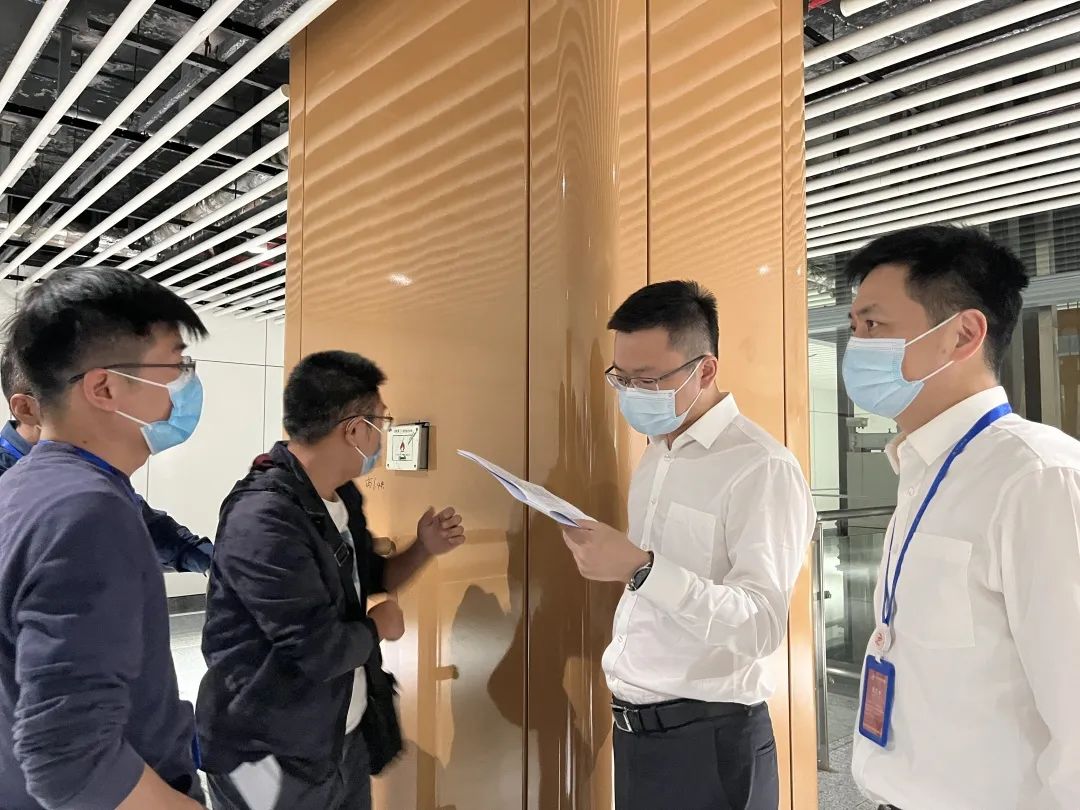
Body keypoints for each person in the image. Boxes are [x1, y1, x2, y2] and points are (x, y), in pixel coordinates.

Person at [843, 225, 1080, 810]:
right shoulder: (921, 466)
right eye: (853, 327)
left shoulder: (1037, 476)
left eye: (873, 326)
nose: (855, 345)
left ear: (963, 334)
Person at [560, 280, 815, 810]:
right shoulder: (657, 452)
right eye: (621, 378)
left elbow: (762, 625)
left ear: (705, 370)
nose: (633, 393)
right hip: (638, 734)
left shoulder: (761, 467)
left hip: (711, 740)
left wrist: (641, 569)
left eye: (648, 380)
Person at [197, 350, 466, 810]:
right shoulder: (263, 518)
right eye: (381, 422)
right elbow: (316, 650)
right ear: (355, 430)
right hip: (270, 754)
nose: (382, 436)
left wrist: (423, 548)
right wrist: (378, 628)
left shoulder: (339, 496)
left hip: (339, 737)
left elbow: (368, 576)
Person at [0, 267, 209, 809]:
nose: (187, 383)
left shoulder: (31, 488)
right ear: (105, 388)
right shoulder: (85, 511)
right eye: (176, 364)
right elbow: (69, 759)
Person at [0, 349, 214, 574]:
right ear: (27, 409)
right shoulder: (10, 486)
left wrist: (212, 561)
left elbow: (143, 525)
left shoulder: (84, 467)